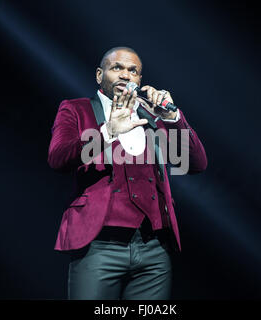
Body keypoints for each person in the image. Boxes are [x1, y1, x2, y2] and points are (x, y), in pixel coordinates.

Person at [48, 46, 207, 299]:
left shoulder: (154, 116)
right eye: (117, 68)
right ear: (100, 75)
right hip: (98, 245)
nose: (125, 75)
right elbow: (57, 159)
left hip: (154, 249)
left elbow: (197, 163)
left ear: (140, 80)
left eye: (133, 70)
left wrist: (172, 116)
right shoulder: (76, 110)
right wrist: (107, 131)